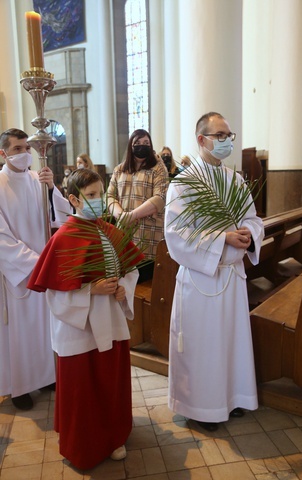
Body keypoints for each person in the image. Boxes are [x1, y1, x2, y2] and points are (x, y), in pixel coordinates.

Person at [27, 168, 144, 469]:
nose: (98, 201)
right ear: (73, 200)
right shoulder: (63, 238)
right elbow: (53, 293)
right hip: (78, 329)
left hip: (111, 321)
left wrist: (123, 288)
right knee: (82, 389)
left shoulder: (111, 231)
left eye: (100, 194)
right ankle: (82, 444)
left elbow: (132, 269)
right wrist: (89, 290)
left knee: (109, 382)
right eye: (91, 196)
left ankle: (114, 435)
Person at [164, 112, 264, 431]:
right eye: (219, 135)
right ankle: (201, 407)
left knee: (228, 341)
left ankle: (229, 397)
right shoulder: (183, 183)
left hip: (231, 278)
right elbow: (176, 234)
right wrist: (223, 239)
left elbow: (253, 219)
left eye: (228, 135)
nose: (226, 141)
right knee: (203, 344)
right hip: (202, 278)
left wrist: (248, 235)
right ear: (201, 140)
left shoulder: (234, 180)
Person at [0, 128, 70, 410]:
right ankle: (20, 386)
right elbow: (1, 237)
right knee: (21, 329)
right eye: (17, 149)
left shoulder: (36, 179)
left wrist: (52, 188)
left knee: (45, 325)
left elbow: (61, 218)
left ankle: (46, 375)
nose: (23, 153)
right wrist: (34, 261)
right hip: (19, 272)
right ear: (3, 153)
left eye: (26, 147)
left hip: (44, 266)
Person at [108, 129, 168, 282]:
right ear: (131, 146)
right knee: (126, 284)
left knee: (147, 283)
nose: (142, 146)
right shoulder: (119, 170)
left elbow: (160, 198)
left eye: (146, 143)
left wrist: (131, 216)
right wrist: (121, 215)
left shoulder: (158, 168)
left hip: (149, 237)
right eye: (138, 143)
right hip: (126, 236)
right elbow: (109, 197)